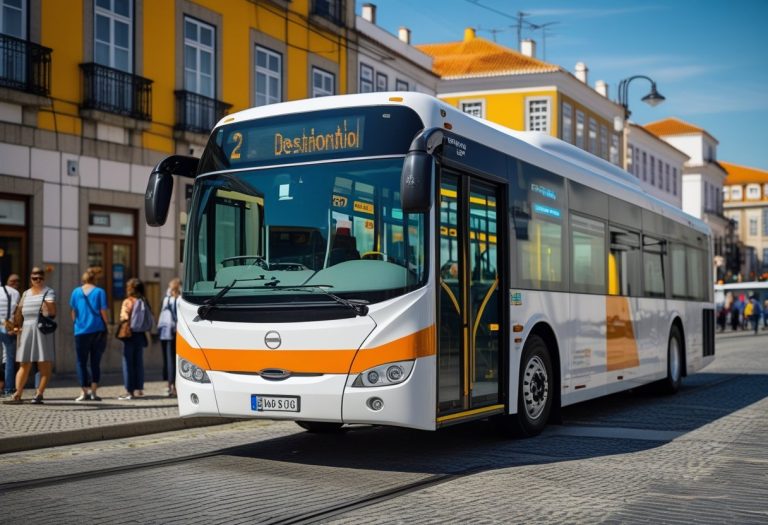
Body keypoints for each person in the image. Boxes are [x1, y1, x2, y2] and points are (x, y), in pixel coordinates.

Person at [2, 267, 56, 405]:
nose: (37, 280)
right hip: (26, 329)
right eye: (34, 278)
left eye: (40, 277)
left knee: (43, 363)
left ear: (44, 278)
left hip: (41, 330)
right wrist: (16, 326)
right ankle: (17, 394)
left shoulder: (48, 291)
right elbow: (19, 312)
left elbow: (52, 312)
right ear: (30, 278)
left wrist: (46, 305)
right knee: (24, 363)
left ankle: (39, 393)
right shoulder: (25, 293)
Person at [69, 268, 109, 402]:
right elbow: (103, 310)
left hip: (80, 331)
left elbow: (73, 311)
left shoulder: (76, 292)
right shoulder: (100, 292)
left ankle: (83, 392)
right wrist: (107, 324)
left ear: (84, 279)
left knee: (81, 362)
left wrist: (76, 323)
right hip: (97, 330)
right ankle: (93, 392)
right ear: (95, 279)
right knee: (95, 362)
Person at [117, 278, 150, 400]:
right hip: (140, 334)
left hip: (129, 334)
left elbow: (123, 317)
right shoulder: (143, 301)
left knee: (127, 362)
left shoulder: (128, 301)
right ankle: (139, 389)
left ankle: (129, 391)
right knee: (138, 362)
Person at [157, 278, 181, 397]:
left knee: (168, 359)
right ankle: (175, 386)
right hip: (177, 333)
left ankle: (169, 385)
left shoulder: (166, 300)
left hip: (165, 333)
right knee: (175, 360)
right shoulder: (180, 300)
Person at [1, 274, 21, 396]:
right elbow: (17, 313)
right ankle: (8, 388)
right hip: (6, 328)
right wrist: (17, 327)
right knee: (9, 358)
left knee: (6, 357)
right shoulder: (16, 293)